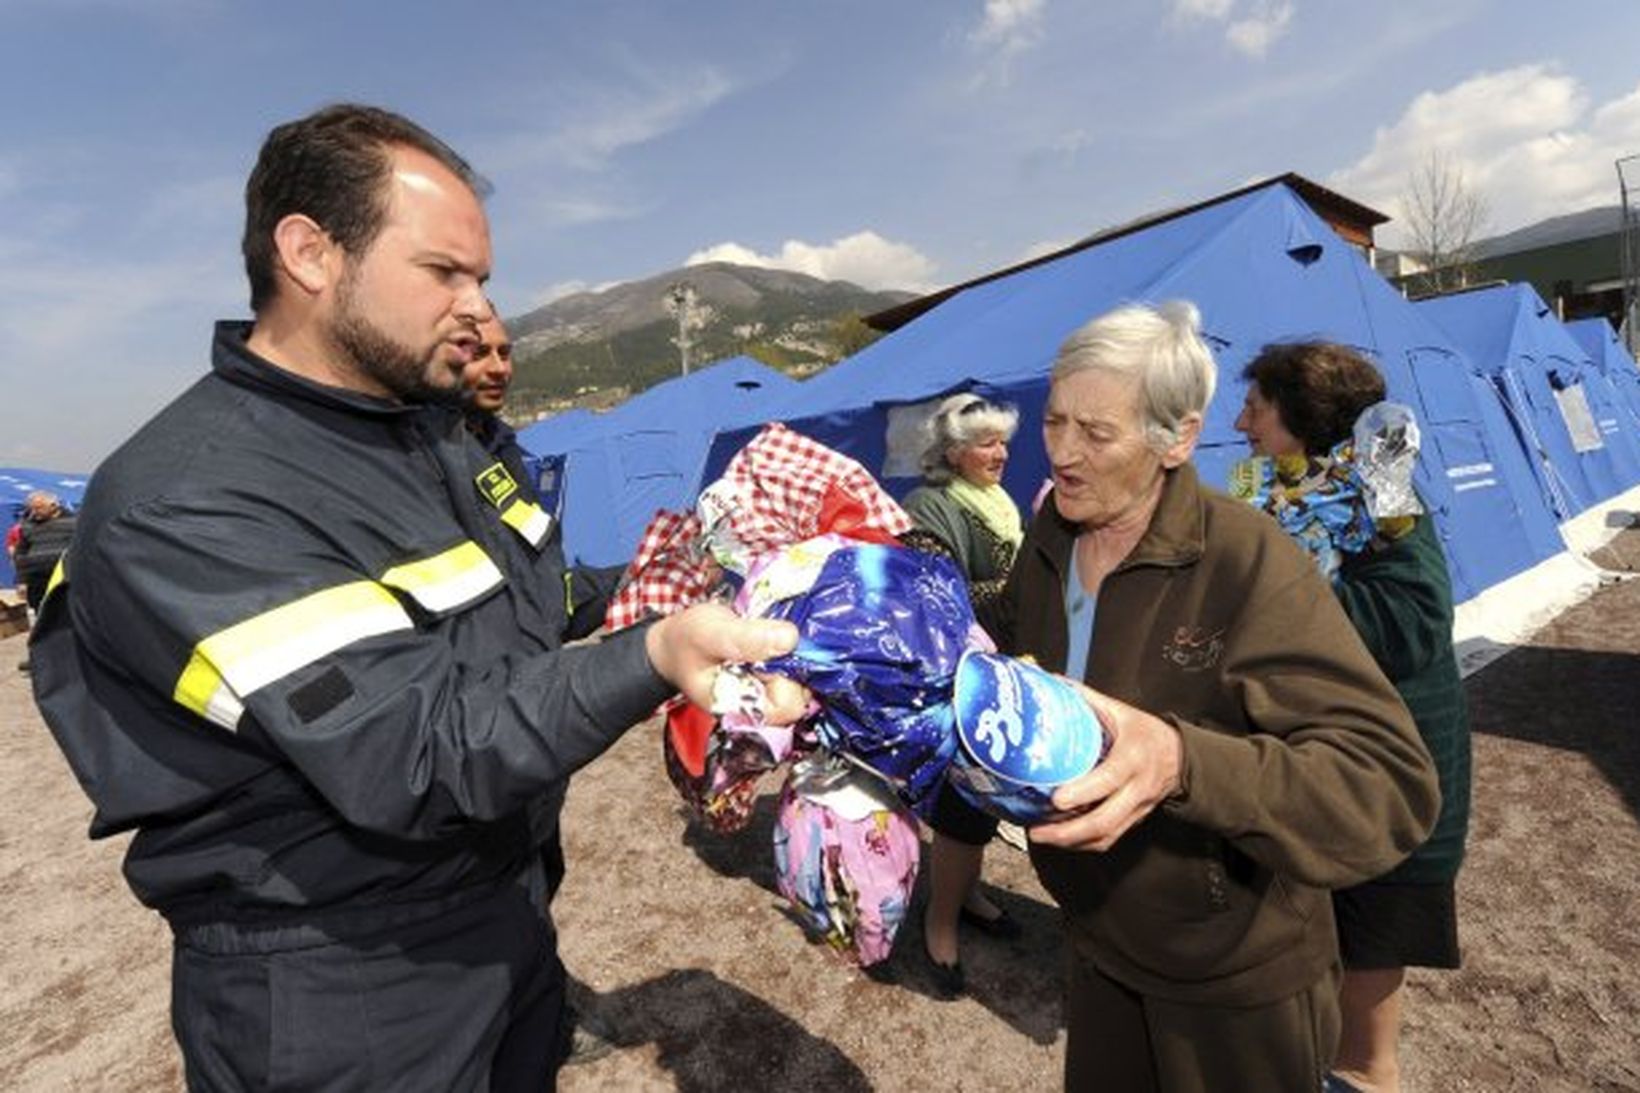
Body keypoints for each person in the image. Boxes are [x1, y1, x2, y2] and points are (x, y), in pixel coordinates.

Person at [28, 103, 799, 1093]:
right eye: (443, 271)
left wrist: (695, 572)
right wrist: (654, 654)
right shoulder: (190, 497)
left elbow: (539, 595)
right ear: (308, 252)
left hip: (501, 912)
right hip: (340, 981)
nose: (476, 306)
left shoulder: (438, 443)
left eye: (481, 277)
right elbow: (415, 752)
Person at [982, 301, 1440, 1091]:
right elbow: (1005, 625)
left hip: (1234, 983)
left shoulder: (1249, 560)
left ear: (1179, 439)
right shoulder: (1054, 534)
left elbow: (1389, 785)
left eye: (1096, 433)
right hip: (1097, 940)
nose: (1060, 454)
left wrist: (1183, 761)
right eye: (1054, 422)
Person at [1235, 341, 1472, 1093]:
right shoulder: (1278, 489)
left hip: (1384, 775)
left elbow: (1416, 618)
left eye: (1257, 407)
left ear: (1300, 416)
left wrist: (1280, 602)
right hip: (1324, 764)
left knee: (1365, 1047)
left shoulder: (1383, 489)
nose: (1241, 422)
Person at [898, 393, 1025, 996]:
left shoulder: (994, 501)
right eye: (985, 443)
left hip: (1001, 662)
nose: (1000, 453)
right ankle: (939, 921)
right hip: (956, 672)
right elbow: (937, 600)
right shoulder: (929, 507)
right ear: (952, 452)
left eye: (1002, 441)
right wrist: (1025, 583)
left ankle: (967, 893)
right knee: (960, 804)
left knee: (987, 797)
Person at [14, 491, 77, 613]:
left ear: (54, 506)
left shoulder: (74, 522)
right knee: (41, 615)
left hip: (64, 580)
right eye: (32, 508)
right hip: (36, 582)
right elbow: (21, 554)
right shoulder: (27, 526)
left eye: (39, 508)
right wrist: (21, 581)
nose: (34, 512)